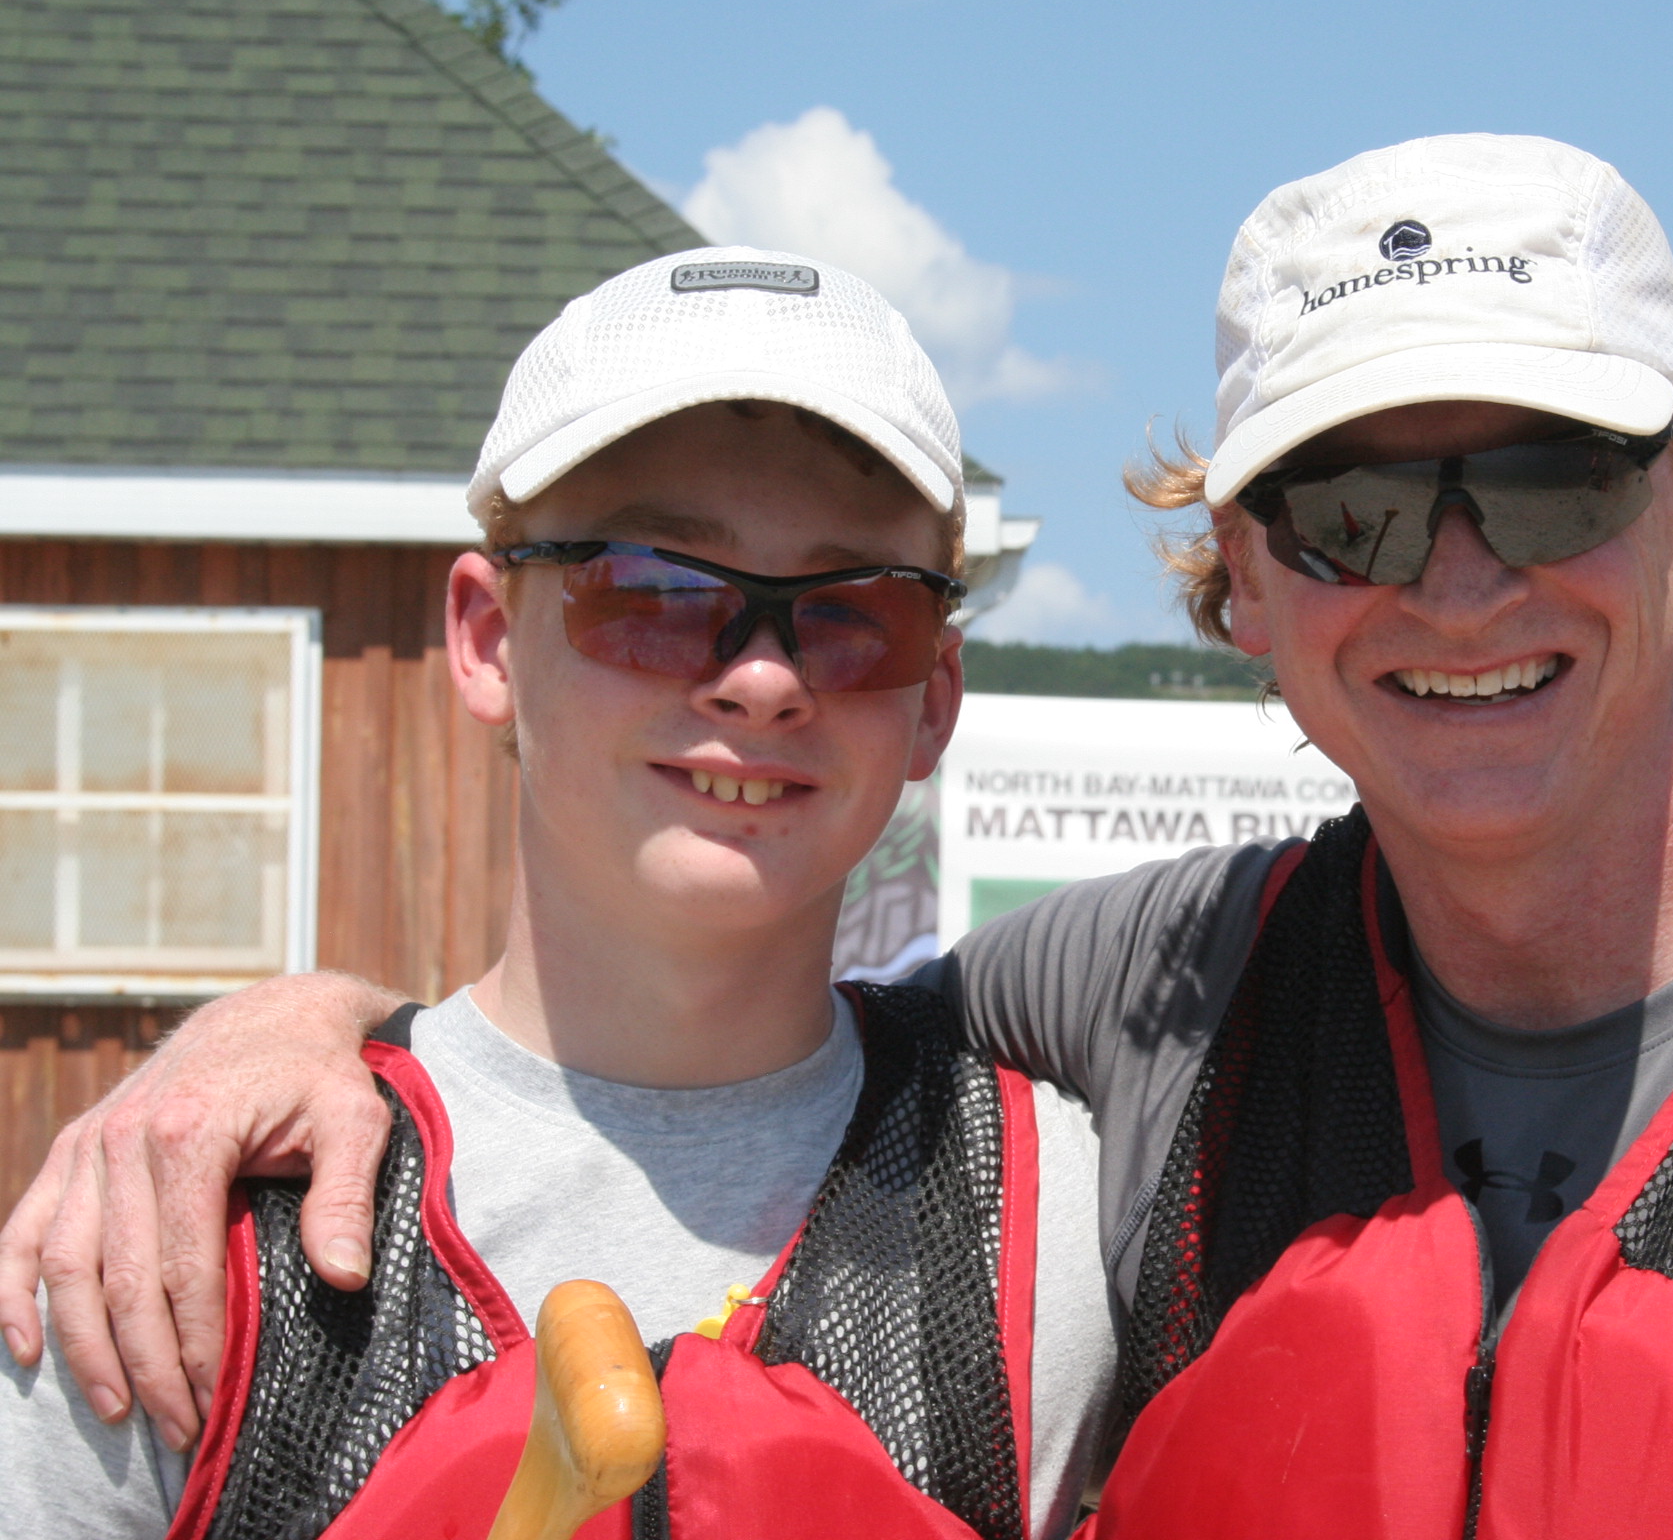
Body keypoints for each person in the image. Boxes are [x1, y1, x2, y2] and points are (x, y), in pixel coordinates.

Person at [4, 137, 1673, 1538]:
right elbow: (688, 1019)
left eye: (1554, 473)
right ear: (1242, 583)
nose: (1458, 576)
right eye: (1358, 503)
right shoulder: (1134, 1034)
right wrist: (282, 1024)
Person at [0, 247, 1115, 1540]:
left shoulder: (1060, 1235)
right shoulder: (190, 1228)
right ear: (485, 642)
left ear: (934, 700)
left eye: (856, 604)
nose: (760, 678)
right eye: (656, 589)